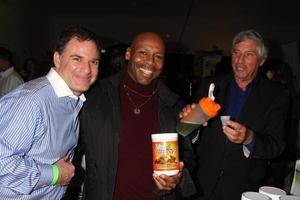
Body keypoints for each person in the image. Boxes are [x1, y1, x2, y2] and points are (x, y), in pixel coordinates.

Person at [80, 32, 197, 200]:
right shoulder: (97, 97)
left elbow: (188, 156)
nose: (150, 62)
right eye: (143, 53)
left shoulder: (173, 105)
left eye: (158, 56)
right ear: (128, 54)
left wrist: (178, 176)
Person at [0, 26, 101, 199]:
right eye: (77, 59)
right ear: (57, 59)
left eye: (94, 61)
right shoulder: (30, 102)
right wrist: (55, 174)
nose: (87, 69)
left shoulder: (72, 100)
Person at [187, 30, 289, 200]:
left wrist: (249, 138)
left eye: (248, 54)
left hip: (244, 187)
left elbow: (276, 146)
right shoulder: (211, 84)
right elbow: (189, 131)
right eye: (236, 52)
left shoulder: (276, 95)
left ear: (261, 60)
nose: (240, 60)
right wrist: (189, 121)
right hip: (202, 183)